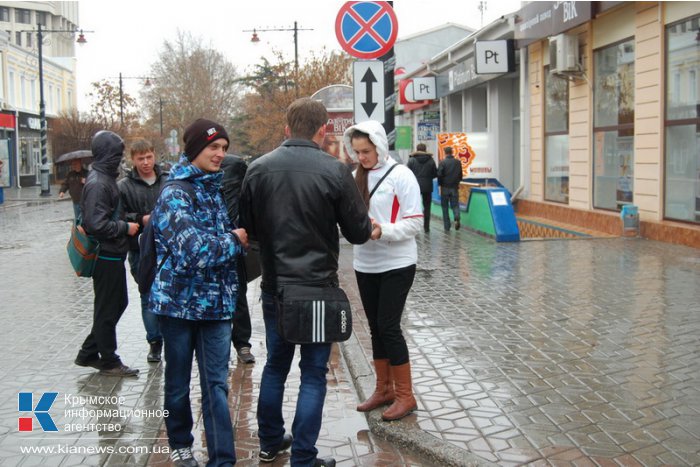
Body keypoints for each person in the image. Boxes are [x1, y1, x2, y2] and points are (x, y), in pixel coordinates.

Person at [240, 97, 372, 467]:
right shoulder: (334, 171)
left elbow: (246, 228)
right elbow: (358, 233)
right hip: (317, 291)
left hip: (276, 286)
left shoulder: (259, 168)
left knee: (275, 365)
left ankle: (268, 442)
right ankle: (303, 457)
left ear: (287, 128)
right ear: (323, 130)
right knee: (313, 373)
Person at [149, 119, 248, 467]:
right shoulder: (175, 192)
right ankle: (180, 443)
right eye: (213, 147)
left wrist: (230, 243)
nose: (220, 154)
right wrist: (234, 240)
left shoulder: (213, 188)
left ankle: (222, 459)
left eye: (224, 147)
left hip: (216, 307)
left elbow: (212, 246)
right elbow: (195, 251)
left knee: (216, 386)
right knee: (176, 383)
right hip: (178, 307)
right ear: (194, 150)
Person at [343, 120, 423, 421]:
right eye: (357, 151)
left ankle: (405, 395)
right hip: (365, 263)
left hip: (397, 263)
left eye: (366, 151)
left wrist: (382, 231)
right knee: (376, 328)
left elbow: (415, 221)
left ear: (380, 146)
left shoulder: (401, 175)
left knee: (389, 326)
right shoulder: (355, 177)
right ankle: (383, 389)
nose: (361, 157)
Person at [74, 131, 140, 377]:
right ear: (106, 154)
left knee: (114, 304)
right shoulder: (99, 183)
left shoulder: (103, 178)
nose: (120, 159)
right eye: (117, 154)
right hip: (105, 255)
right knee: (108, 308)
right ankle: (109, 360)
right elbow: (95, 224)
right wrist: (126, 227)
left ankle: (89, 351)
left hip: (112, 254)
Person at [118, 139, 168, 362]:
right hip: (140, 249)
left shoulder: (168, 180)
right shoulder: (124, 186)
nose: (146, 162)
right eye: (141, 158)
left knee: (170, 292)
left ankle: (173, 337)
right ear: (133, 159)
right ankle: (154, 341)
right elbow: (119, 217)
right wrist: (140, 218)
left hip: (168, 247)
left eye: (149, 157)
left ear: (154, 155)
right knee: (147, 295)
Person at [220, 154, 256, 365]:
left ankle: (242, 343)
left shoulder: (236, 171)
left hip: (235, 249)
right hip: (217, 249)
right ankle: (230, 345)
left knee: (239, 297)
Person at [406, 143, 437, 232]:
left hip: (415, 186)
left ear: (417, 149)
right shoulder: (431, 160)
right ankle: (426, 228)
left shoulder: (412, 160)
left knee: (415, 207)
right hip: (427, 186)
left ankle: (416, 227)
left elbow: (407, 173)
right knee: (427, 207)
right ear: (425, 150)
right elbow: (435, 173)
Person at [437, 146, 463, 231]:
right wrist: (457, 182)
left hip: (444, 187)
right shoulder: (458, 162)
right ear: (452, 152)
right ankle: (456, 216)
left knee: (445, 207)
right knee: (455, 205)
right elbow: (460, 175)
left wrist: (440, 184)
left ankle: (447, 227)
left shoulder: (442, 163)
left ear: (445, 153)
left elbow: (439, 175)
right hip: (454, 187)